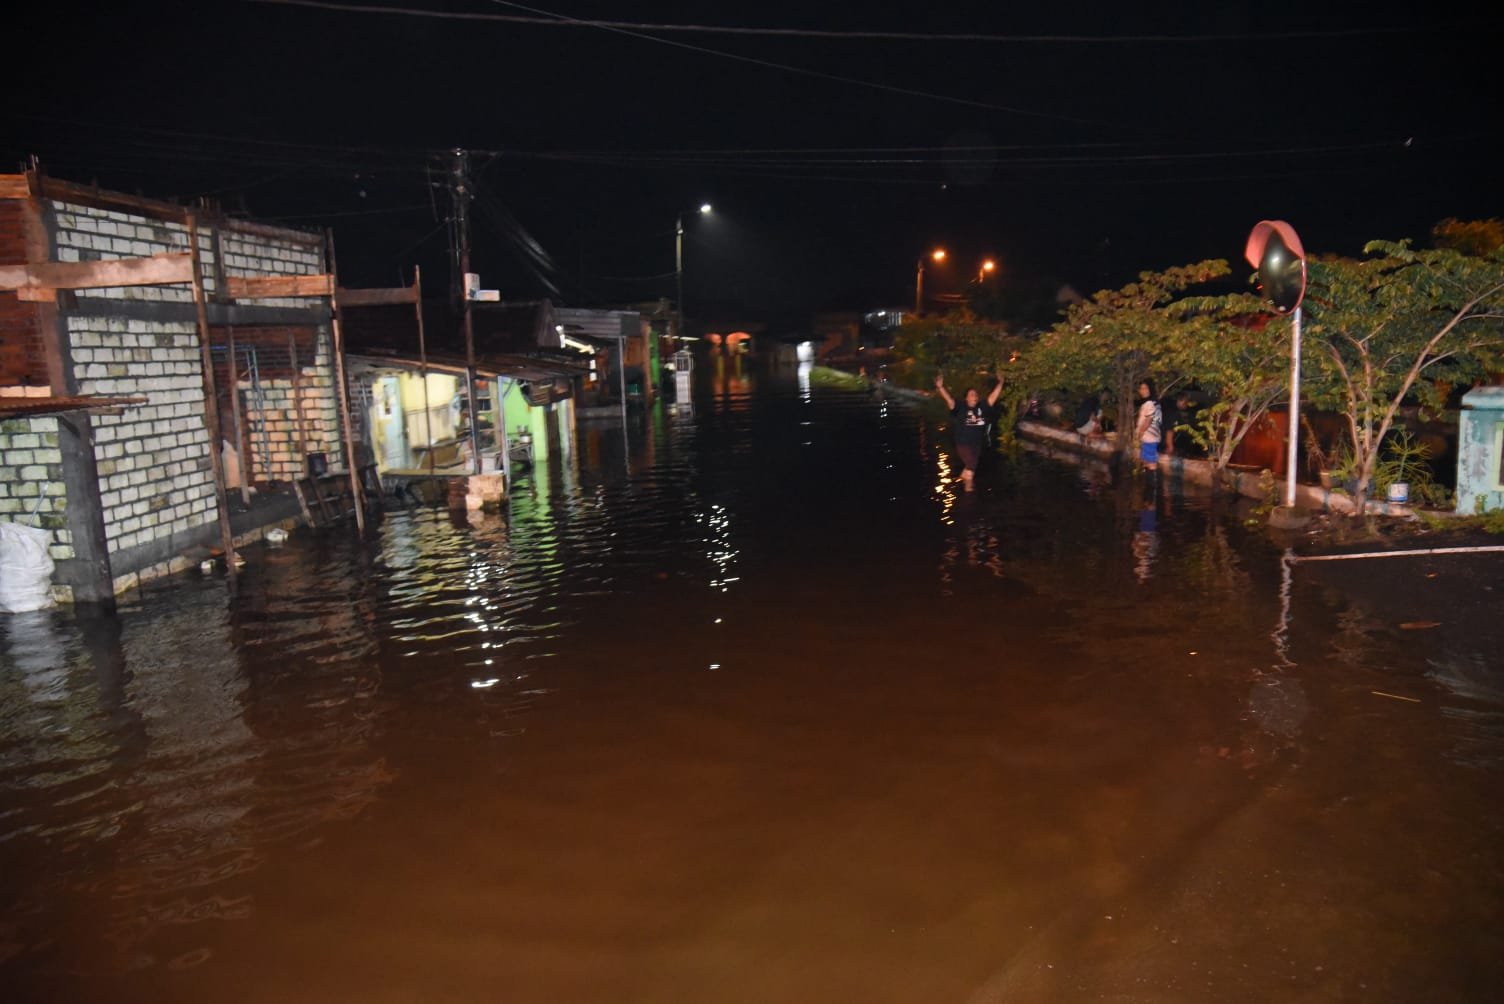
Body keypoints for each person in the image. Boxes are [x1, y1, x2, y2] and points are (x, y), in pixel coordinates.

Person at [934, 371, 1004, 489]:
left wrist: (1001, 382)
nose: (975, 396)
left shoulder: (982, 407)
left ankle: (959, 480)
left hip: (977, 445)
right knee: (971, 469)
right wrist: (940, 387)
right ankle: (968, 496)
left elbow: (993, 396)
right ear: (966, 398)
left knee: (969, 467)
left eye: (976, 395)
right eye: (972, 394)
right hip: (963, 444)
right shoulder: (960, 407)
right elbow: (949, 400)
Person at [1134, 378, 1163, 472]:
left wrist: (1140, 434)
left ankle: (1153, 485)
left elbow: (1148, 420)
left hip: (1149, 437)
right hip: (1151, 436)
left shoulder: (1149, 403)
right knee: (1147, 461)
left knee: (1151, 462)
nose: (1142, 391)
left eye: (1145, 388)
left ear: (1151, 389)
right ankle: (1150, 483)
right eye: (1141, 388)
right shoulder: (1155, 403)